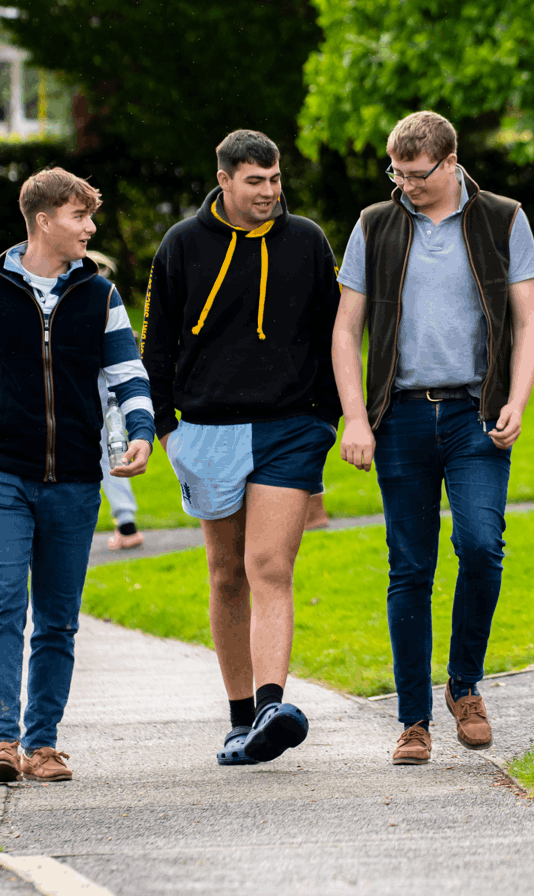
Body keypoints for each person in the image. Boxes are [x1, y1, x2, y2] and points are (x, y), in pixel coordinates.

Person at [0, 167, 153, 784]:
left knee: (57, 619)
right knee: (2, 605)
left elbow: (128, 374)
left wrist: (142, 431)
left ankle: (42, 743)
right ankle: (1, 741)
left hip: (75, 480)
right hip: (0, 476)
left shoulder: (100, 295)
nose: (90, 228)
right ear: (44, 221)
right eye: (80, 216)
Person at [330, 111, 534, 765]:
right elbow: (345, 330)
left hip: (476, 414)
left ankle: (464, 685)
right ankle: (413, 721)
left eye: (417, 173)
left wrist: (516, 400)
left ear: (451, 162)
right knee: (410, 566)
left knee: (481, 546)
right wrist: (356, 417)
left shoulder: (503, 219)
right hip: (399, 417)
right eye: (395, 172)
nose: (405, 184)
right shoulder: (375, 224)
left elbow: (528, 321)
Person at [140, 129, 341, 766]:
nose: (270, 192)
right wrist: (165, 430)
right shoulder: (181, 245)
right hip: (205, 432)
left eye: (276, 179)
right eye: (256, 181)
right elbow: (156, 343)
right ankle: (239, 720)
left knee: (268, 567)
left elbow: (335, 333)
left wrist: (327, 420)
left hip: (290, 429)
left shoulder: (307, 241)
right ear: (224, 180)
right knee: (226, 573)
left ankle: (271, 708)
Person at [86, 251, 144, 551]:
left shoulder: (90, 299)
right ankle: (126, 522)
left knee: (107, 452)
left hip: (98, 388)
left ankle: (125, 523)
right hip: (108, 389)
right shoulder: (103, 298)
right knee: (112, 450)